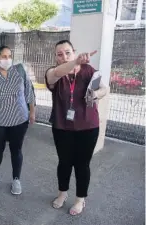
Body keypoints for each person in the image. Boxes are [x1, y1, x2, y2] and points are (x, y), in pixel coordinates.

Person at [45, 40, 109, 215]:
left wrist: (96, 95)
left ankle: (80, 199)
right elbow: (55, 74)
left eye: (68, 52)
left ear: (74, 51)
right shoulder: (54, 73)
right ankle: (62, 194)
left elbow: (105, 89)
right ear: (56, 57)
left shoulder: (89, 71)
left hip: (88, 127)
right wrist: (75, 62)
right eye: (60, 54)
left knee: (82, 165)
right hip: (62, 127)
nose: (64, 56)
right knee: (64, 163)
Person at [0, 45, 36, 195]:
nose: (7, 59)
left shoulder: (19, 72)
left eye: (9, 56)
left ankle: (16, 179)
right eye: (4, 57)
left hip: (19, 120)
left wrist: (32, 112)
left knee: (16, 150)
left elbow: (29, 92)